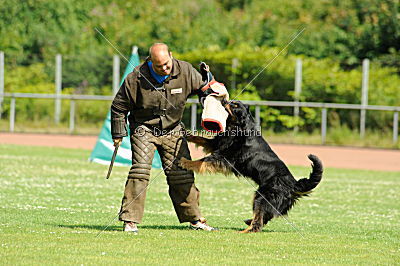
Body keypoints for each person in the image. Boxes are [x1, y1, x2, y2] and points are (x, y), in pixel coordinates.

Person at [111, 43, 218, 233]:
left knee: (182, 173)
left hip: (173, 129)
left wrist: (212, 100)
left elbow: (205, 89)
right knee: (140, 172)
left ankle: (195, 220)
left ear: (171, 55)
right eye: (159, 66)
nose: (165, 68)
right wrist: (118, 134)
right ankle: (130, 220)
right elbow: (119, 107)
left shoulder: (185, 70)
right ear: (151, 61)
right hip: (144, 129)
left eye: (167, 64)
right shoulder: (136, 77)